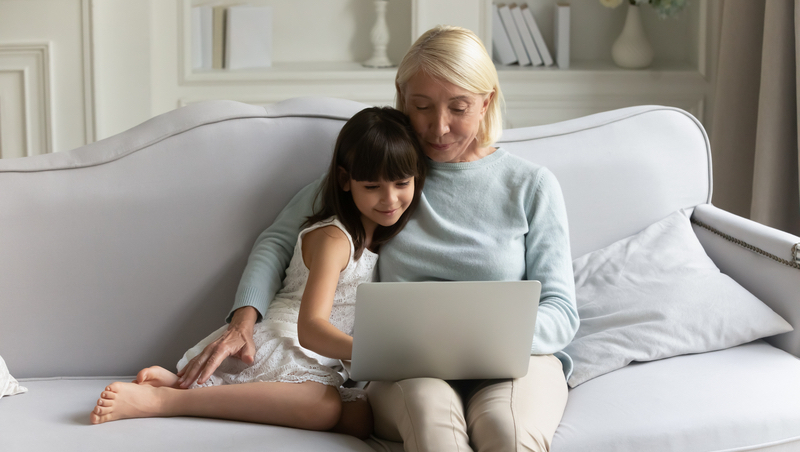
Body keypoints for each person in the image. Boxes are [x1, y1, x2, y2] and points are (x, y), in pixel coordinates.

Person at [179, 25, 579, 452]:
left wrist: (477, 342)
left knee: (508, 434)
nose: (438, 128)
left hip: (515, 363)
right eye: (421, 106)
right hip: (408, 369)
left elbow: (560, 309)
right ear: (401, 97)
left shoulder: (531, 185)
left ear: (487, 102)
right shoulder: (382, 174)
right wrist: (243, 321)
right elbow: (277, 241)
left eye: (458, 108)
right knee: (434, 431)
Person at [88, 107, 428, 439]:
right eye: (372, 187)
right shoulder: (333, 239)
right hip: (288, 342)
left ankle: (183, 383)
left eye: (401, 183)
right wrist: (376, 351)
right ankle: (167, 400)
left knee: (360, 420)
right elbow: (310, 330)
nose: (390, 199)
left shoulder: (374, 239)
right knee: (321, 408)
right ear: (344, 180)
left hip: (320, 359)